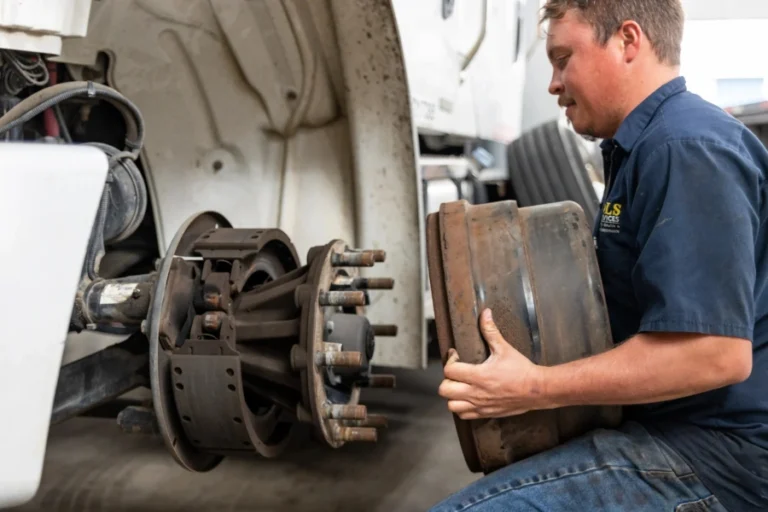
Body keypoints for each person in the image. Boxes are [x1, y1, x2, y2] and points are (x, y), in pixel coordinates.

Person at [429, 0, 768, 511]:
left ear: (628, 41)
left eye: (563, 58)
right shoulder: (643, 146)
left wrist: (534, 387)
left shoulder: (684, 147)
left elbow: (714, 352)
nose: (552, 83)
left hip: (717, 455)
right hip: (676, 429)